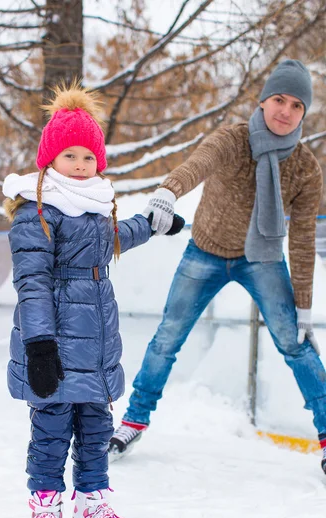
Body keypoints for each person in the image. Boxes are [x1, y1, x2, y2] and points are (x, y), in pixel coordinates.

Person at [109, 59, 326, 475]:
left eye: (297, 105)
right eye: (279, 99)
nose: (285, 110)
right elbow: (198, 164)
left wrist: (303, 306)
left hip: (262, 259)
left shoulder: (305, 168)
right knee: (167, 338)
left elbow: (300, 240)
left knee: (296, 344)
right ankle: (134, 422)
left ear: (304, 113)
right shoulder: (233, 139)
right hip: (205, 253)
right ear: (263, 100)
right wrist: (167, 193)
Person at [2, 82, 184, 518]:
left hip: (97, 342)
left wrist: (155, 223)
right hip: (56, 344)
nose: (81, 164)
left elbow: (117, 237)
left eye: (89, 156)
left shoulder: (97, 206)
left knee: (97, 430)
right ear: (50, 160)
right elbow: (33, 282)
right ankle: (46, 507)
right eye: (70, 156)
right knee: (52, 428)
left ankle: (91, 516)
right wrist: (40, 346)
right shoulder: (37, 211)